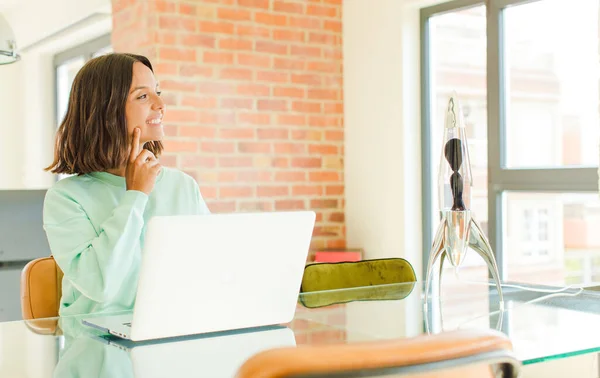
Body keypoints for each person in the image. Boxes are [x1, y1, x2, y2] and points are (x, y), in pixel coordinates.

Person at [43, 53, 210, 317]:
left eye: (158, 92)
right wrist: (135, 195)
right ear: (105, 110)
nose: (161, 104)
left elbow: (209, 269)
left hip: (170, 334)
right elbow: (101, 284)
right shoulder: (66, 198)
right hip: (96, 346)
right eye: (143, 96)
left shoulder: (182, 186)